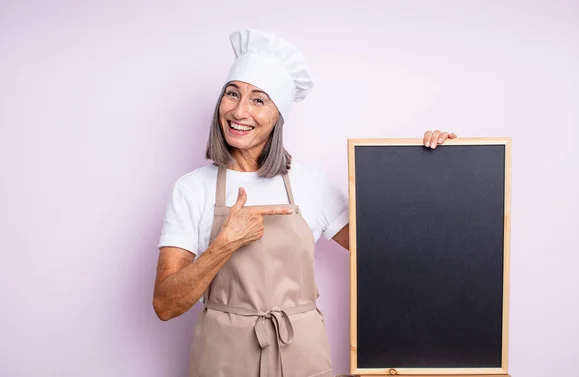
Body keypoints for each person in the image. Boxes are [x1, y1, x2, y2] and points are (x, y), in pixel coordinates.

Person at [152, 28, 456, 377]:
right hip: (222, 359)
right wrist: (224, 245)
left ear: (277, 116)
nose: (239, 110)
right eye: (232, 94)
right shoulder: (191, 189)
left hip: (301, 355)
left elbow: (391, 251)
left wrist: (437, 169)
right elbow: (165, 304)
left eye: (259, 100)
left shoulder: (310, 183)